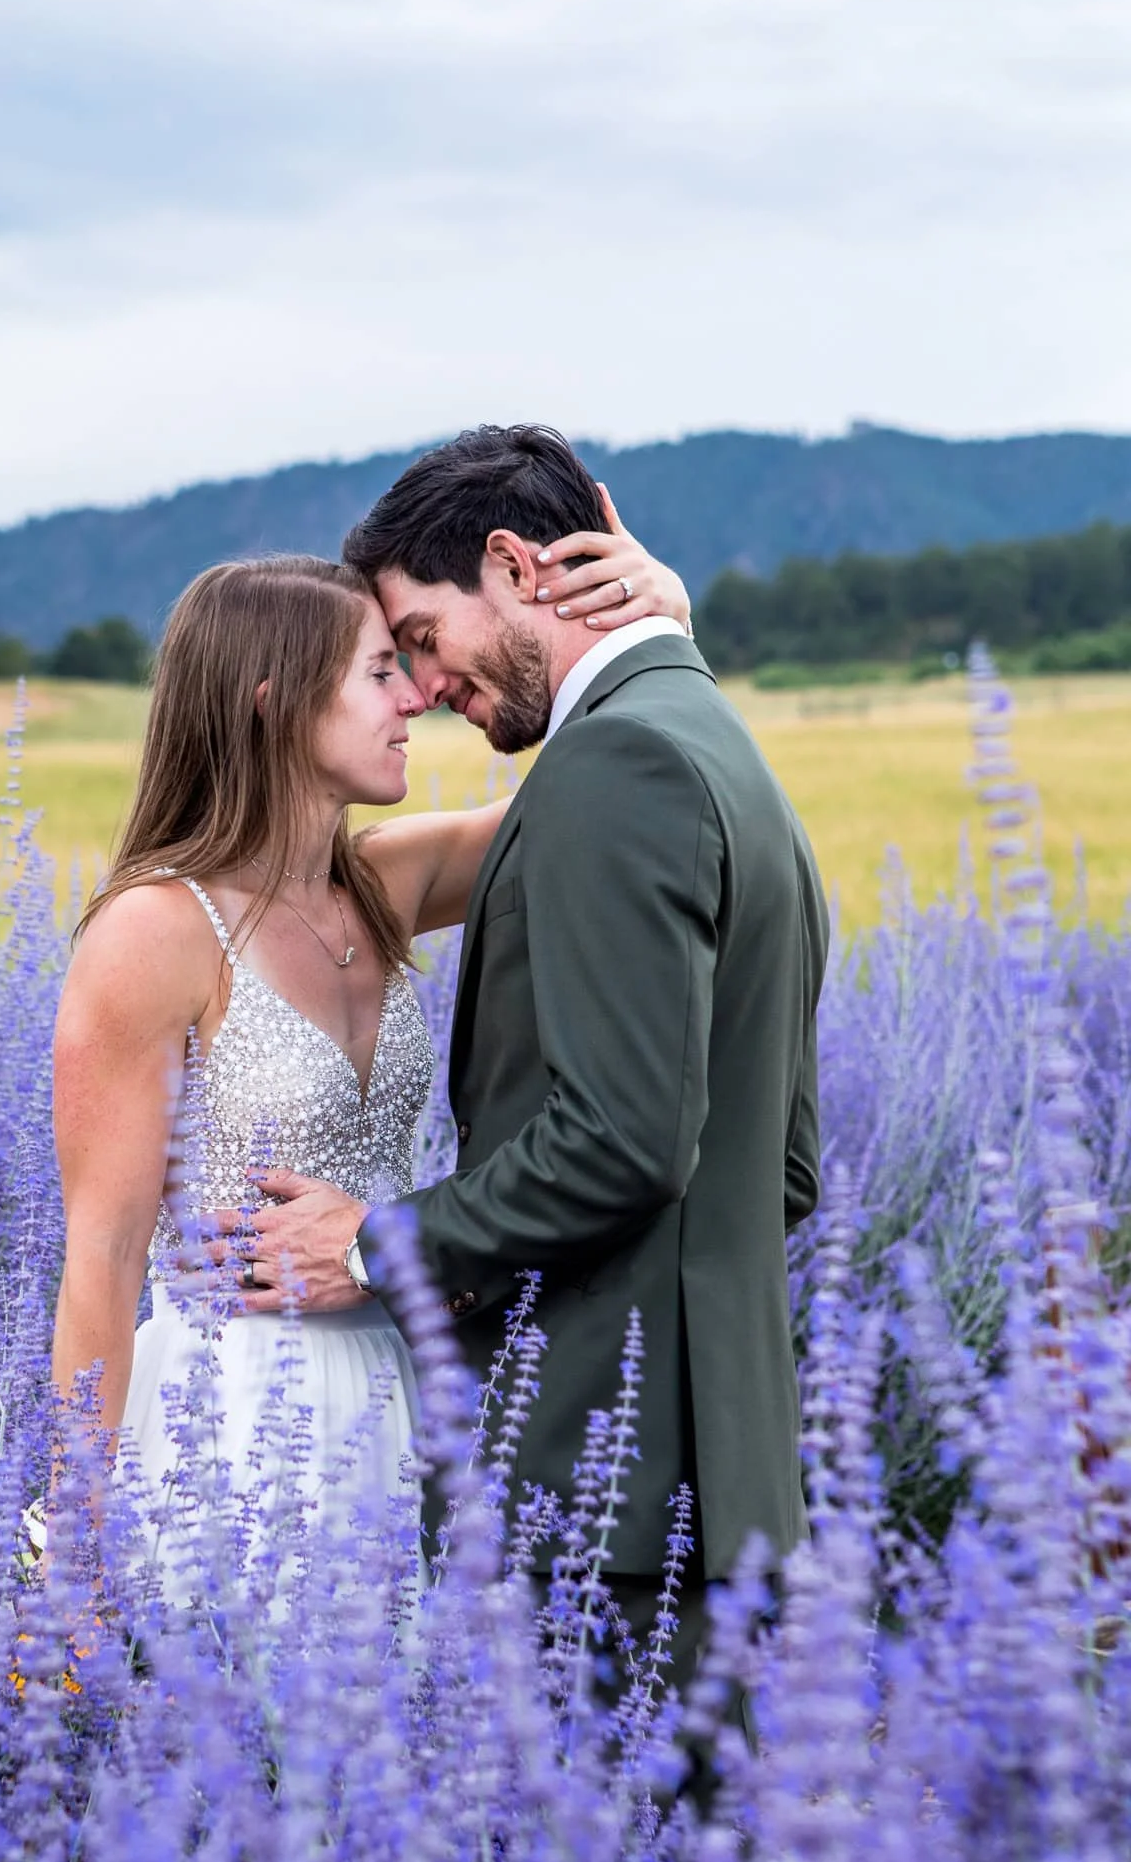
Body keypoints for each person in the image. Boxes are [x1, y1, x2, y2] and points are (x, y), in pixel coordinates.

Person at [225, 426, 828, 1687]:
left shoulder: (617, 763)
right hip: (712, 1493)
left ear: (512, 565)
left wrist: (373, 1248)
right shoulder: (712, 744)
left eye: (423, 636)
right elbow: (781, 1170)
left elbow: (622, 1141)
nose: (424, 684)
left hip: (602, 1492)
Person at [48, 531, 692, 1579]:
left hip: (409, 1397)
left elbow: (620, 785)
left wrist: (658, 627)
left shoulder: (383, 886)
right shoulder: (153, 931)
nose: (417, 699)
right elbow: (103, 1255)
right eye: (381, 672)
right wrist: (70, 1560)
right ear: (275, 703)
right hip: (235, 1423)